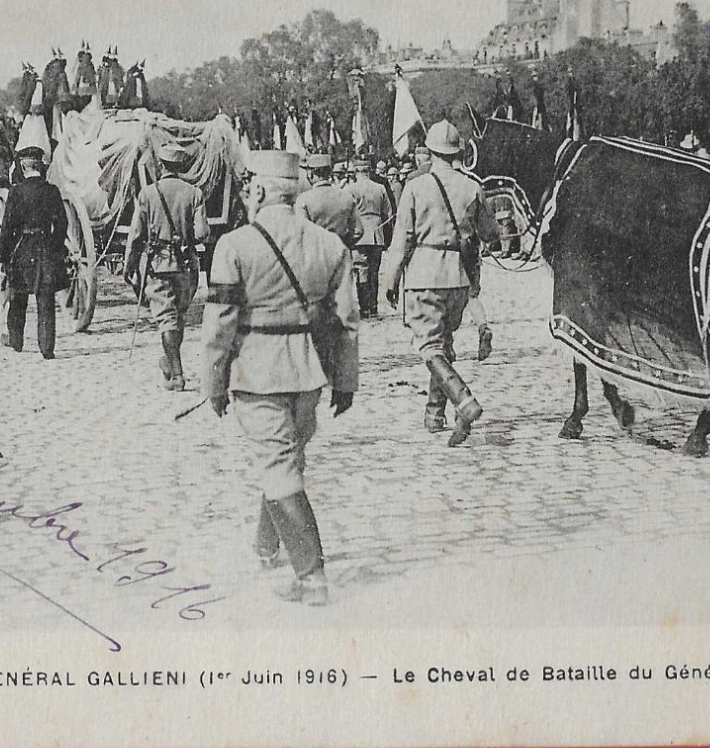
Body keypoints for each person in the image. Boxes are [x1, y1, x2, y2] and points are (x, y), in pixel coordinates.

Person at [201, 149, 359, 606]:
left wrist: (213, 384)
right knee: (288, 458)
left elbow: (219, 325)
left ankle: (311, 576)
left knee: (281, 467)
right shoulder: (331, 247)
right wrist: (345, 382)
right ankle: (266, 546)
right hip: (308, 373)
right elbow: (346, 321)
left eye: (252, 186)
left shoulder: (234, 246)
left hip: (257, 373)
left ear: (262, 191)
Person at [380, 119, 499, 447]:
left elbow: (401, 239)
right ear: (458, 152)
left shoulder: (416, 187)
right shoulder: (472, 186)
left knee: (430, 347)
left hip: (423, 275)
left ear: (430, 151)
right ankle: (435, 414)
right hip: (459, 279)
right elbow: (491, 234)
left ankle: (464, 400)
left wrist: (389, 280)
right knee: (444, 344)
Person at [125, 143, 209, 390]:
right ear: (182, 166)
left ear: (160, 165)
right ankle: (170, 364)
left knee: (166, 320)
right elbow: (202, 233)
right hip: (186, 266)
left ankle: (177, 374)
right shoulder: (194, 193)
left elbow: (136, 235)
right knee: (178, 317)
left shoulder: (147, 194)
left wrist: (129, 266)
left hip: (157, 265)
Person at [0, 146, 70, 359]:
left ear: (22, 166)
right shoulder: (52, 191)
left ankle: (16, 341)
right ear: (41, 166)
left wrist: (2, 254)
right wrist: (55, 246)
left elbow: (8, 226)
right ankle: (47, 348)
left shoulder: (16, 192)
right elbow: (62, 223)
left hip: (22, 249)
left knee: (18, 298)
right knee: (46, 301)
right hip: (45, 249)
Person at [345, 156, 393, 318]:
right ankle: (373, 306)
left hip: (358, 234)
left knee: (361, 270)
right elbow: (389, 214)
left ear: (356, 171)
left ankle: (364, 306)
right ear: (369, 171)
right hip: (377, 233)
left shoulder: (350, 189)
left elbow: (345, 212)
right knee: (374, 270)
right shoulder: (380, 188)